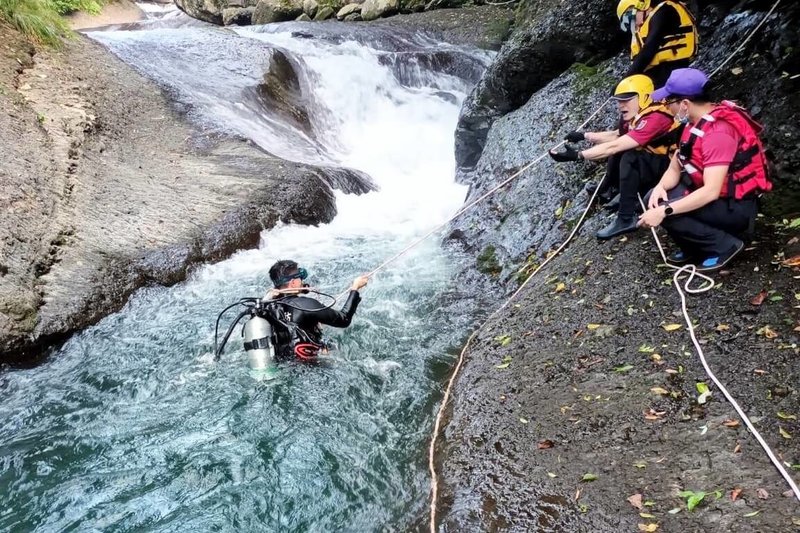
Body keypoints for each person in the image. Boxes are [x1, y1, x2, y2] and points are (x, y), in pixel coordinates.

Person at [638, 68, 773, 271]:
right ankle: (694, 246)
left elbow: (711, 191)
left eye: (669, 103)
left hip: (734, 207)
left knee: (667, 210)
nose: (667, 108)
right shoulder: (693, 124)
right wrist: (659, 187)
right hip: (718, 201)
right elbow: (676, 166)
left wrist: (664, 211)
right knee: (654, 197)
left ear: (685, 104)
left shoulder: (718, 133)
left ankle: (725, 245)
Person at [550, 74, 681, 239]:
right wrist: (584, 136)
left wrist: (578, 155)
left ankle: (625, 218)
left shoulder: (655, 118)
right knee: (624, 151)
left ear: (644, 96)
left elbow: (616, 145)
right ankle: (612, 191)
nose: (621, 105)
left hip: (670, 169)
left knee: (630, 156)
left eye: (626, 100)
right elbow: (617, 135)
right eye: (619, 101)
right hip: (658, 164)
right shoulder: (642, 112)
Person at [266, 259, 368, 360]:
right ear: (293, 283)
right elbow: (344, 319)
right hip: (309, 366)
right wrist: (355, 289)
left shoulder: (268, 306)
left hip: (283, 362)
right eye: (300, 277)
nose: (303, 280)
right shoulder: (305, 304)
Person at [617, 0, 698, 87]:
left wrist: (625, 79)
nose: (633, 25)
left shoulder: (664, 11)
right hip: (660, 72)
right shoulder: (646, 25)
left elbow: (649, 49)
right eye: (626, 24)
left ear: (642, 6)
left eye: (629, 19)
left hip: (673, 69)